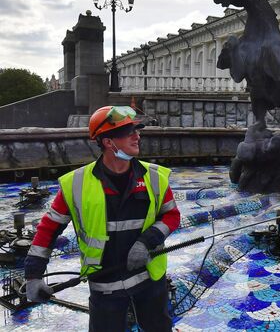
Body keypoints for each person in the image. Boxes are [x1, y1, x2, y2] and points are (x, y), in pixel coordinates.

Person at [24, 106, 180, 332]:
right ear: (108, 142)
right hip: (105, 284)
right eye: (129, 132)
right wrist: (33, 275)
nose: (137, 136)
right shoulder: (75, 184)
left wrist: (146, 242)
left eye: (136, 130)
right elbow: (48, 229)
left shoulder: (155, 177)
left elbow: (171, 215)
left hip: (149, 279)